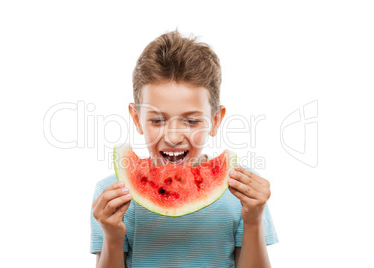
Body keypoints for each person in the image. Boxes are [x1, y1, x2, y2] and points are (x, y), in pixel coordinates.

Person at [90, 29, 278, 267]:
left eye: (191, 121)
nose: (173, 137)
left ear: (215, 120)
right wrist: (112, 236)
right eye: (157, 120)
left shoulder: (243, 190)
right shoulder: (112, 194)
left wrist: (253, 220)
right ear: (136, 119)